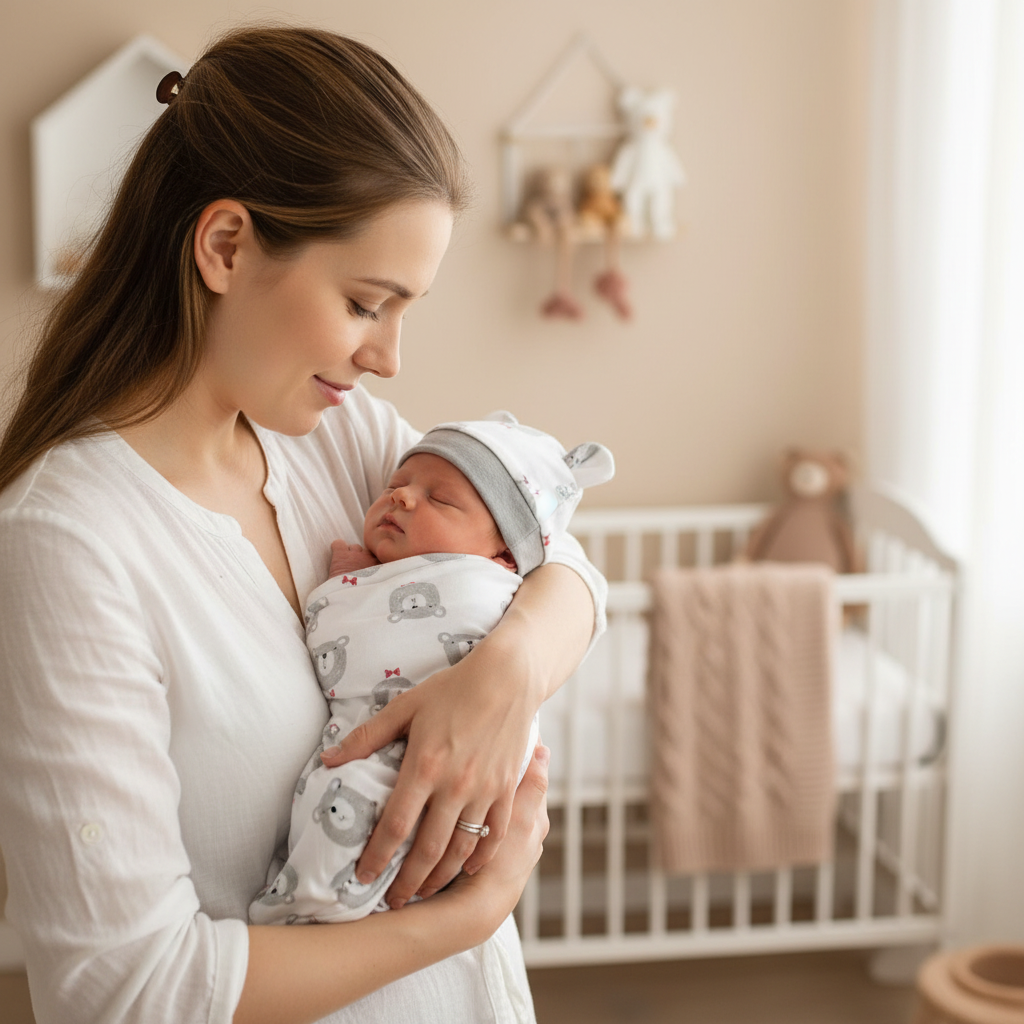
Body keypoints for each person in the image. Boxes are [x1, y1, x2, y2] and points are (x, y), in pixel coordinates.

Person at [0, 26, 607, 1024]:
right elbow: (126, 993)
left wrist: (502, 679)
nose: (389, 359)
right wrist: (467, 913)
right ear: (227, 245)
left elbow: (554, 549)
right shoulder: (68, 546)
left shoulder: (338, 438)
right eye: (369, 303)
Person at [250, 414, 614, 934]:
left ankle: (313, 902)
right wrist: (358, 580)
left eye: (440, 500)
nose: (400, 497)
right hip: (371, 740)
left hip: (444, 761)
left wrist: (509, 665)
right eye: (396, 486)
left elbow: (574, 572)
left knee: (376, 803)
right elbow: (361, 629)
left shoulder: (488, 586)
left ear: (504, 557)